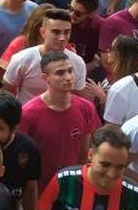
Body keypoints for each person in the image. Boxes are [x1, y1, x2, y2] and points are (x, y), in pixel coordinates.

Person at [18, 51, 100, 190]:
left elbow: (85, 152)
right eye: (60, 73)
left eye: (70, 71)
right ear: (46, 78)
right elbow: (22, 157)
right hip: (40, 189)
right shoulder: (28, 113)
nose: (68, 77)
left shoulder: (86, 108)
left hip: (74, 188)